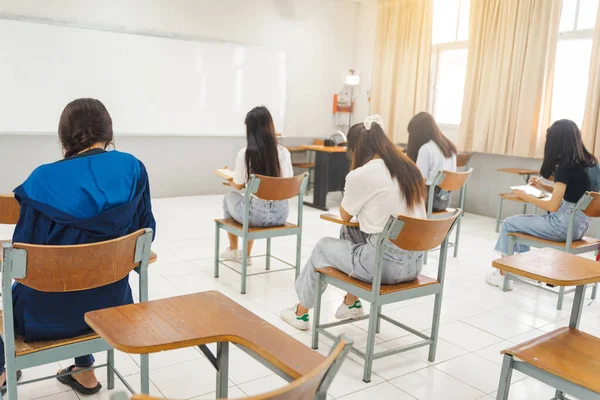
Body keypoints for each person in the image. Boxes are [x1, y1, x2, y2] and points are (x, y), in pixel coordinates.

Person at [0, 98, 156, 395]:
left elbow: (23, 257)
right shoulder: (133, 169)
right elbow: (148, 234)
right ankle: (85, 373)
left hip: (44, 317)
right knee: (89, 278)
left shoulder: (43, 179)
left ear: (64, 135)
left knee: (11, 298)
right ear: (108, 132)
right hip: (114, 306)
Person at [280, 115, 427, 330]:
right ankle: (351, 302)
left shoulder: (363, 173)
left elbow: (344, 214)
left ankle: (300, 313)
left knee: (322, 247)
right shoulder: (409, 168)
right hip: (414, 263)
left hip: (384, 267)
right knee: (349, 233)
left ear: (356, 149)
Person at [487, 119, 600, 289]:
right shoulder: (592, 163)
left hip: (561, 226)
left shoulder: (565, 166)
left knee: (509, 223)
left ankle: (504, 275)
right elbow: (574, 193)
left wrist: (525, 195)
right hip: (580, 227)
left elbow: (553, 207)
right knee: (522, 224)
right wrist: (543, 186)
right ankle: (520, 268)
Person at [220, 106, 293, 265]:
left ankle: (234, 250)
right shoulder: (284, 152)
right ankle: (245, 254)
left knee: (229, 199)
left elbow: (238, 186)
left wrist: (229, 179)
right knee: (250, 199)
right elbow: (288, 182)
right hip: (281, 214)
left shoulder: (245, 154)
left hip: (254, 217)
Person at [406, 112, 457, 211]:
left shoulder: (426, 149)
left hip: (430, 202)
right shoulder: (449, 146)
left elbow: (420, 182)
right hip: (445, 200)